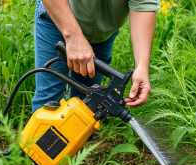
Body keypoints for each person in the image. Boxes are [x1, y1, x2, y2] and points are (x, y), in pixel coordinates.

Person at [32, 0, 160, 113]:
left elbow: (143, 4)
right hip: (57, 17)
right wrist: (74, 37)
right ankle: (36, 139)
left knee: (89, 103)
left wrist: (142, 68)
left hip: (102, 31)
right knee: (49, 100)